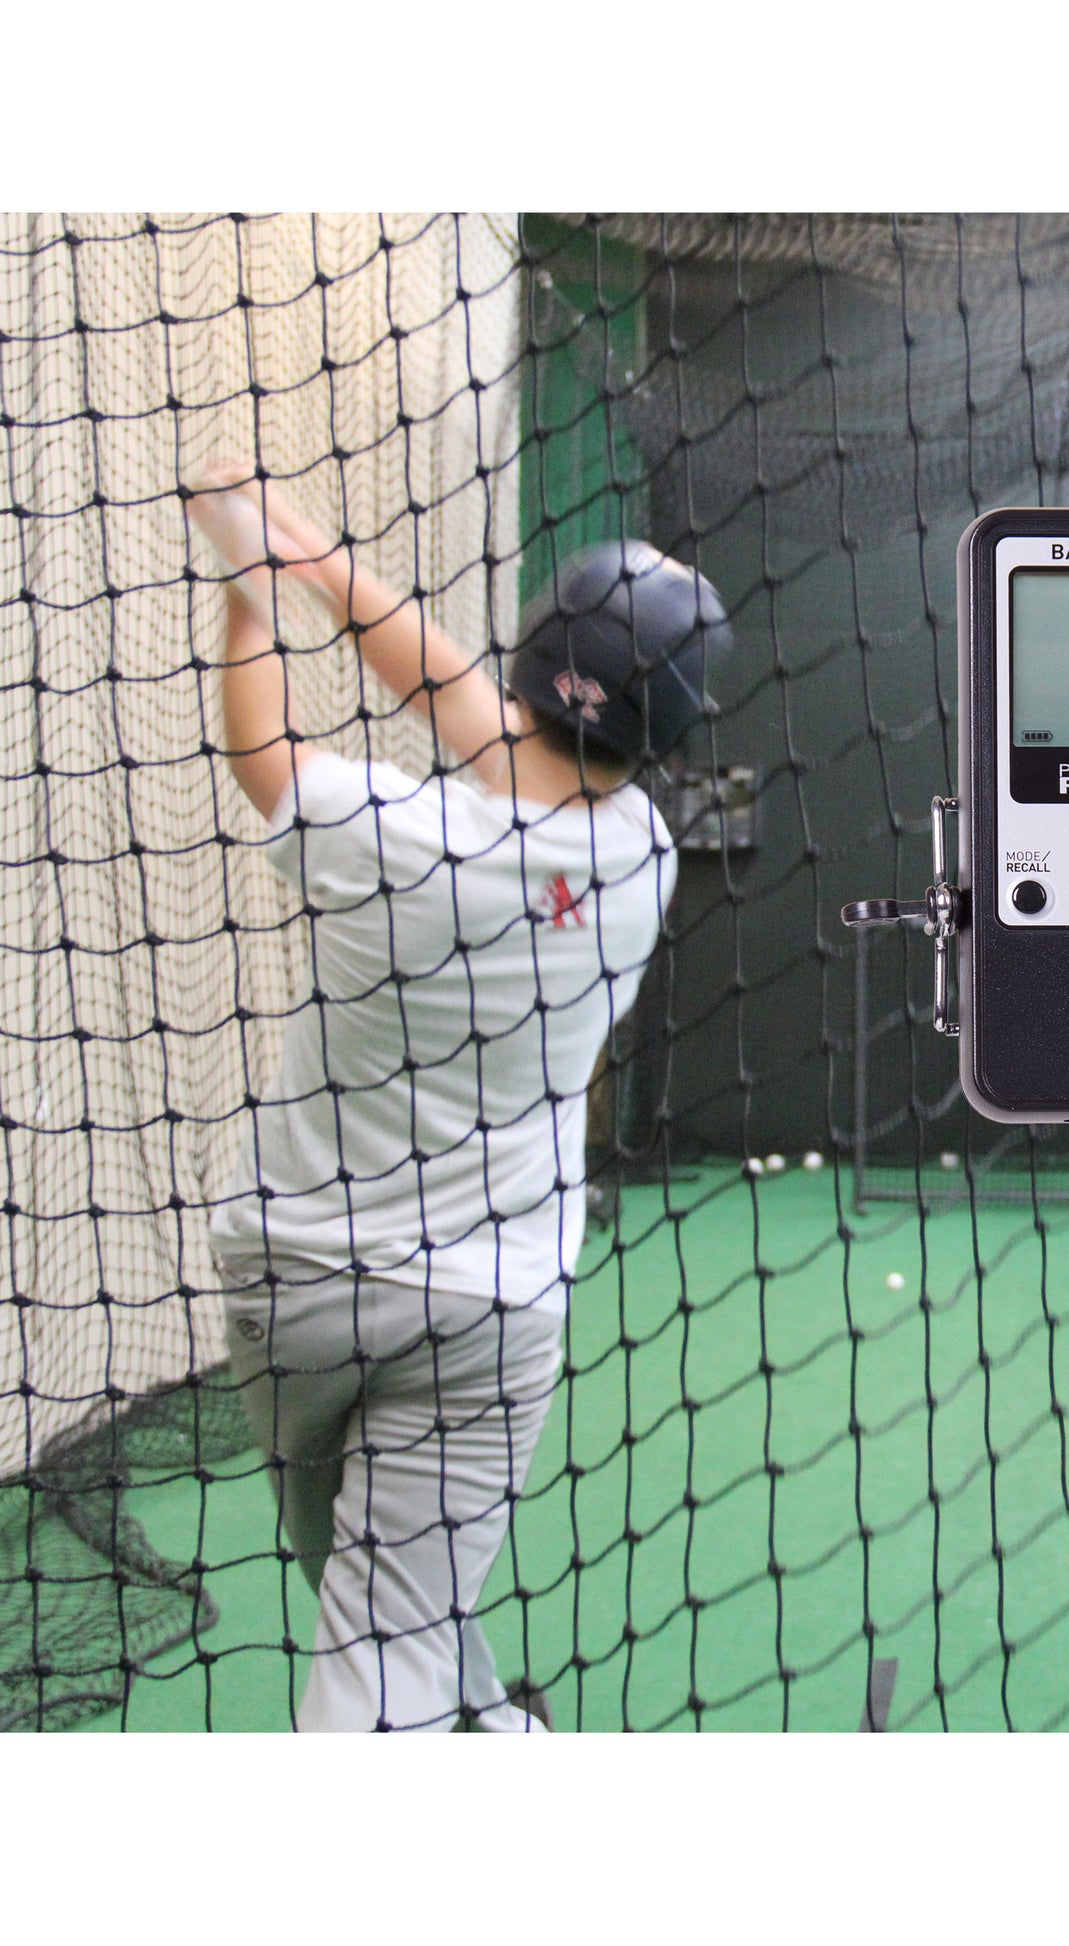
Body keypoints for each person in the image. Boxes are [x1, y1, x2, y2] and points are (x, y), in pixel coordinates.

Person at [185, 465, 727, 1730]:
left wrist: (256, 592)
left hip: (296, 1283)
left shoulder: (392, 832)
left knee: (374, 1603)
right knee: (393, 1615)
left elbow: (269, 753)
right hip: (487, 1313)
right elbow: (474, 714)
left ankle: (480, 1735)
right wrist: (305, 562)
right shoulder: (639, 854)